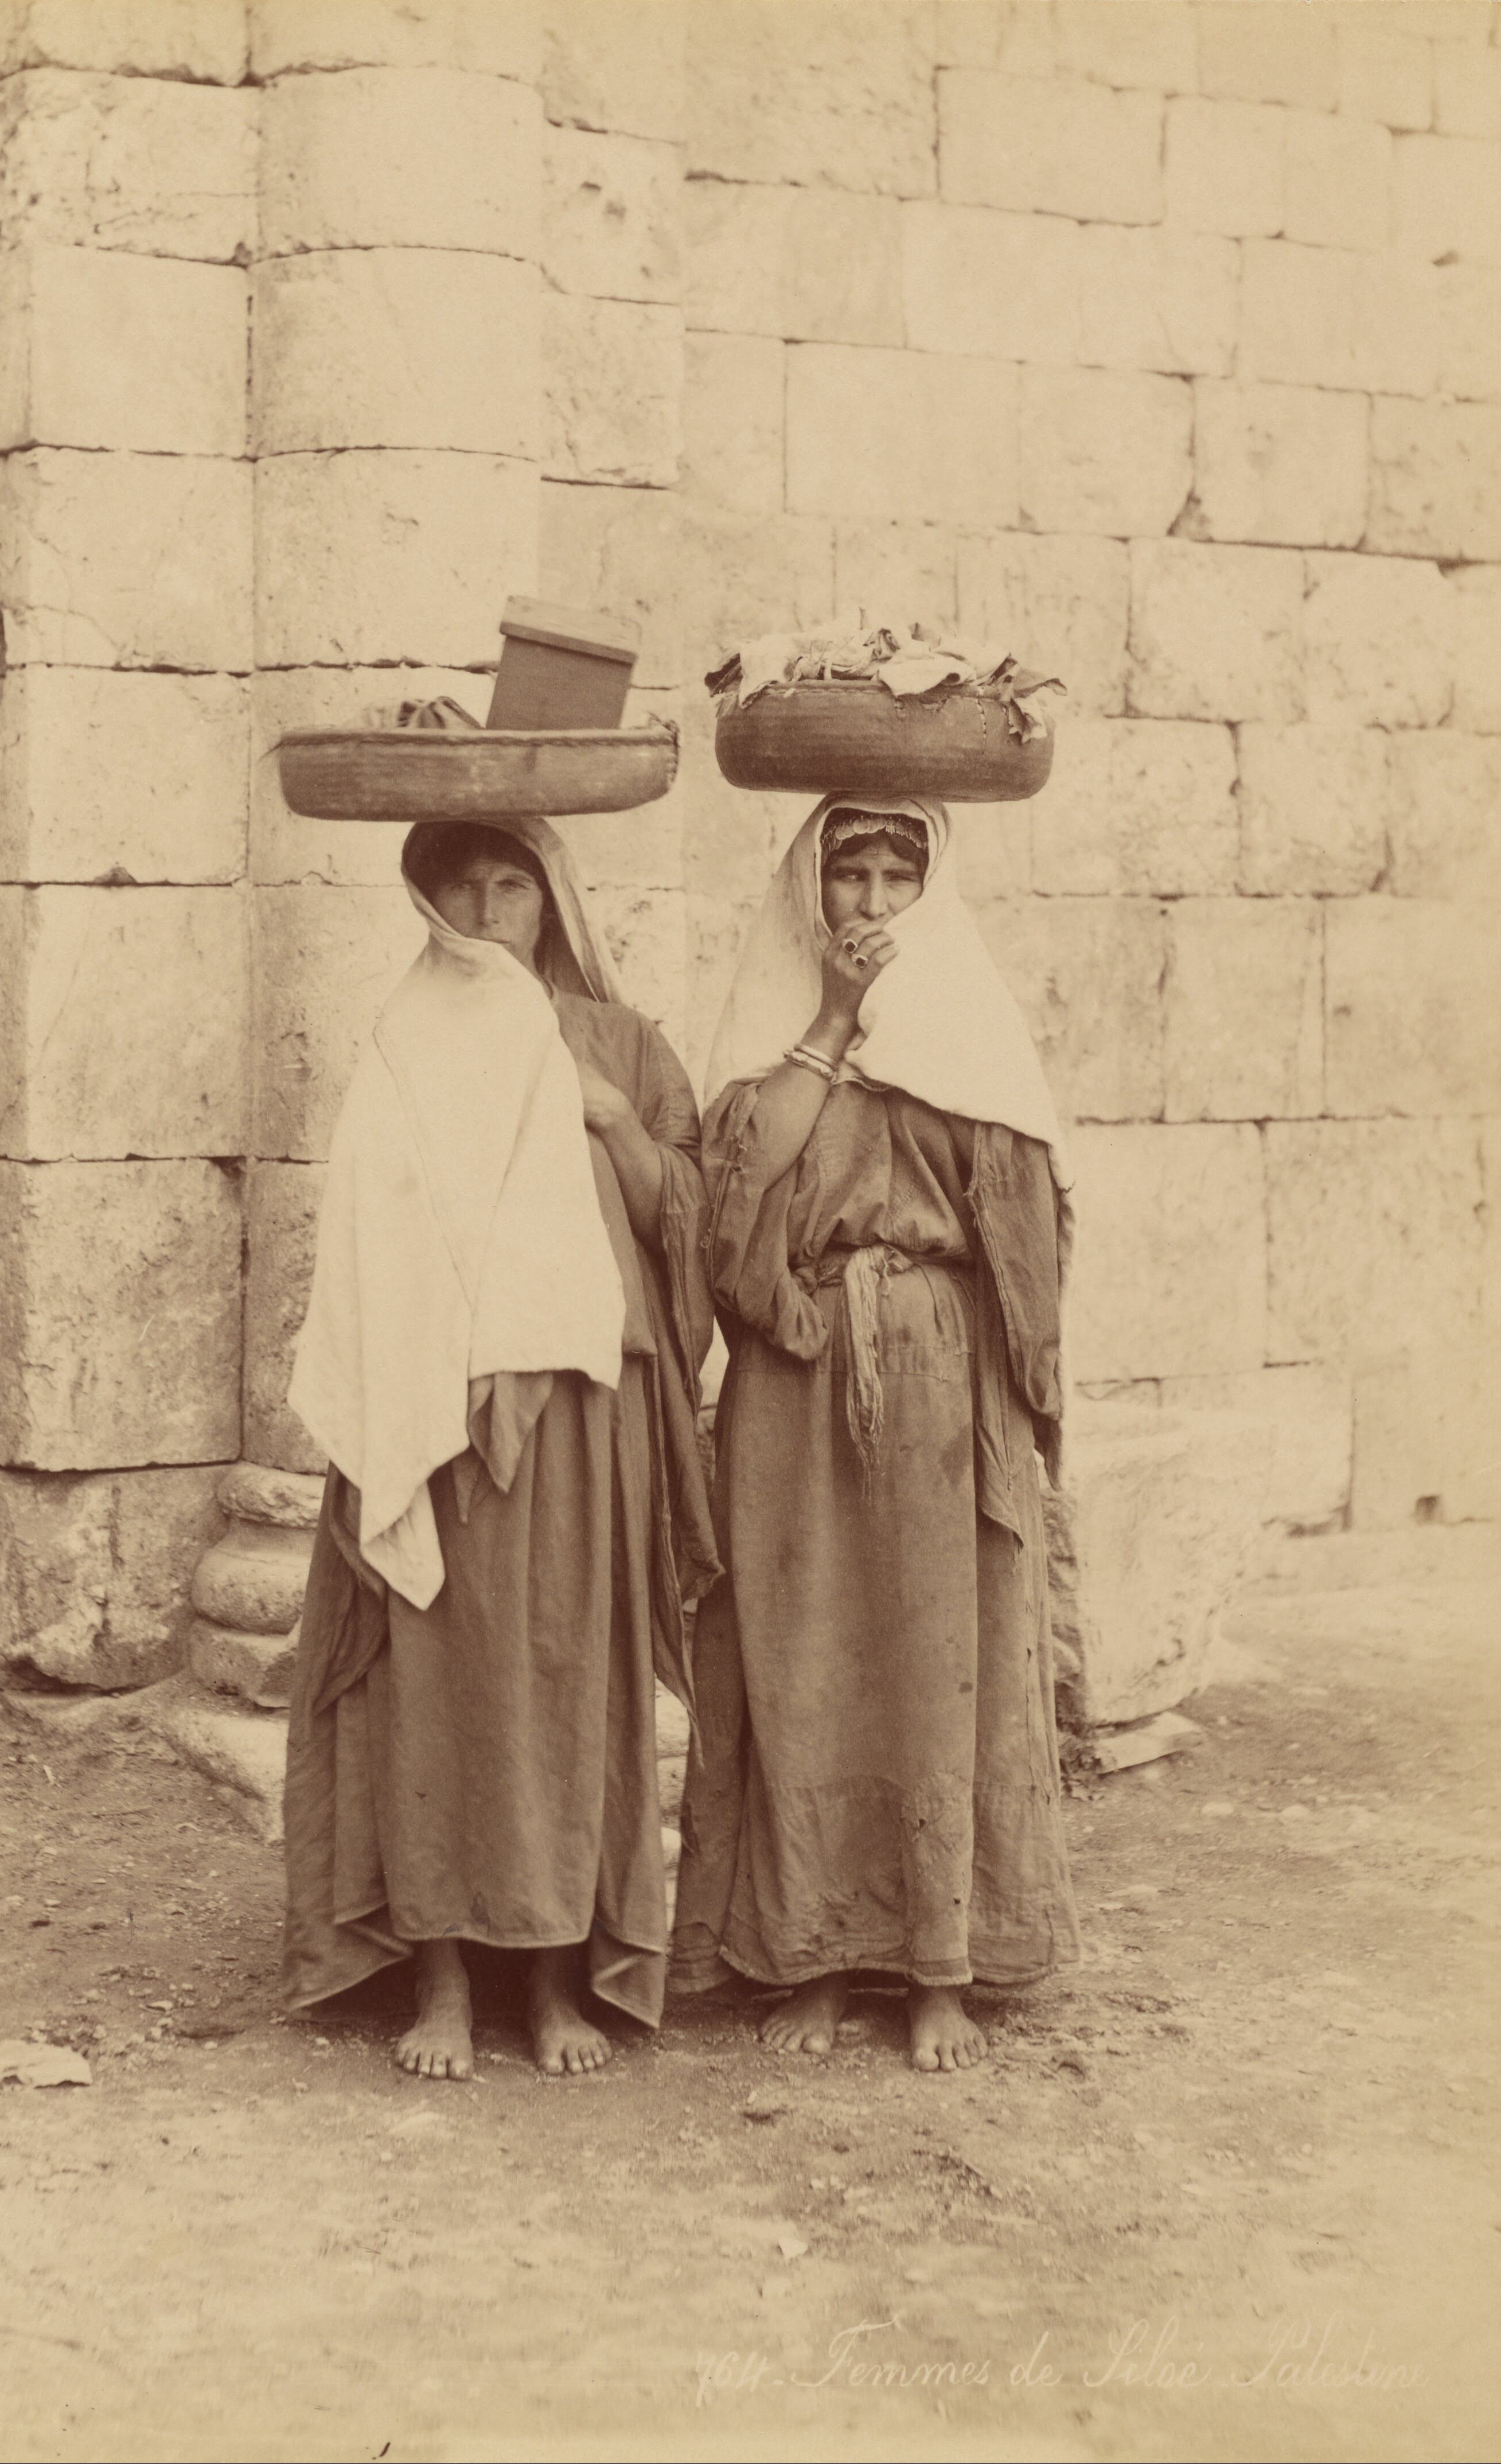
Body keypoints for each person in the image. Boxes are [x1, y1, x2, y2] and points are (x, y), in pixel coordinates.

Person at [282, 818, 718, 2081]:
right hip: (426, 1405)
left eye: (512, 885)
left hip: (588, 1405)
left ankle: (554, 1981)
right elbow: (367, 1232)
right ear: (430, 905)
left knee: (565, 1675)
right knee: (432, 1680)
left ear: (554, 901)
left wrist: (613, 1122)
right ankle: (440, 1980)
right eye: (461, 888)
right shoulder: (401, 1042)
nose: (486, 911)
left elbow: (685, 1222)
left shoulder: (624, 1043)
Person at [670, 794, 1080, 2071]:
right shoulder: (770, 1041)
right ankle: (810, 1956)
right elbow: (729, 1212)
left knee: (937, 1660)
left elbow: (1025, 1238)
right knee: (802, 1656)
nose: (873, 901)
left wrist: (1013, 1399)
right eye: (850, 874)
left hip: (945, 1388)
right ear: (813, 892)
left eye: (900, 873)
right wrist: (838, 1024)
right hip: (797, 1377)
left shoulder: (975, 1039)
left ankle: (938, 1970)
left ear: (930, 889)